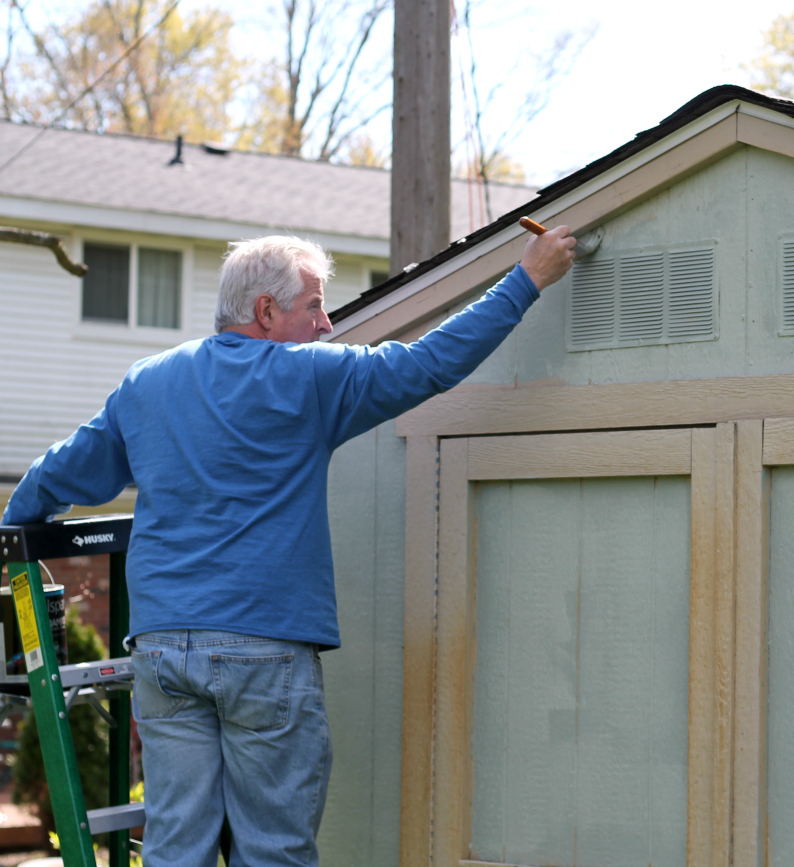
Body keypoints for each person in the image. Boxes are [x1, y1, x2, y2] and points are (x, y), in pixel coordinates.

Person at [1, 227, 576, 866]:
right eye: (314, 305)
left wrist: (15, 536)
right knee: (273, 851)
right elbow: (430, 363)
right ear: (267, 312)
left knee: (176, 849)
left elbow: (56, 475)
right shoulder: (309, 378)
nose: (327, 324)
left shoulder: (149, 383)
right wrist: (526, 280)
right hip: (263, 652)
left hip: (163, 650)